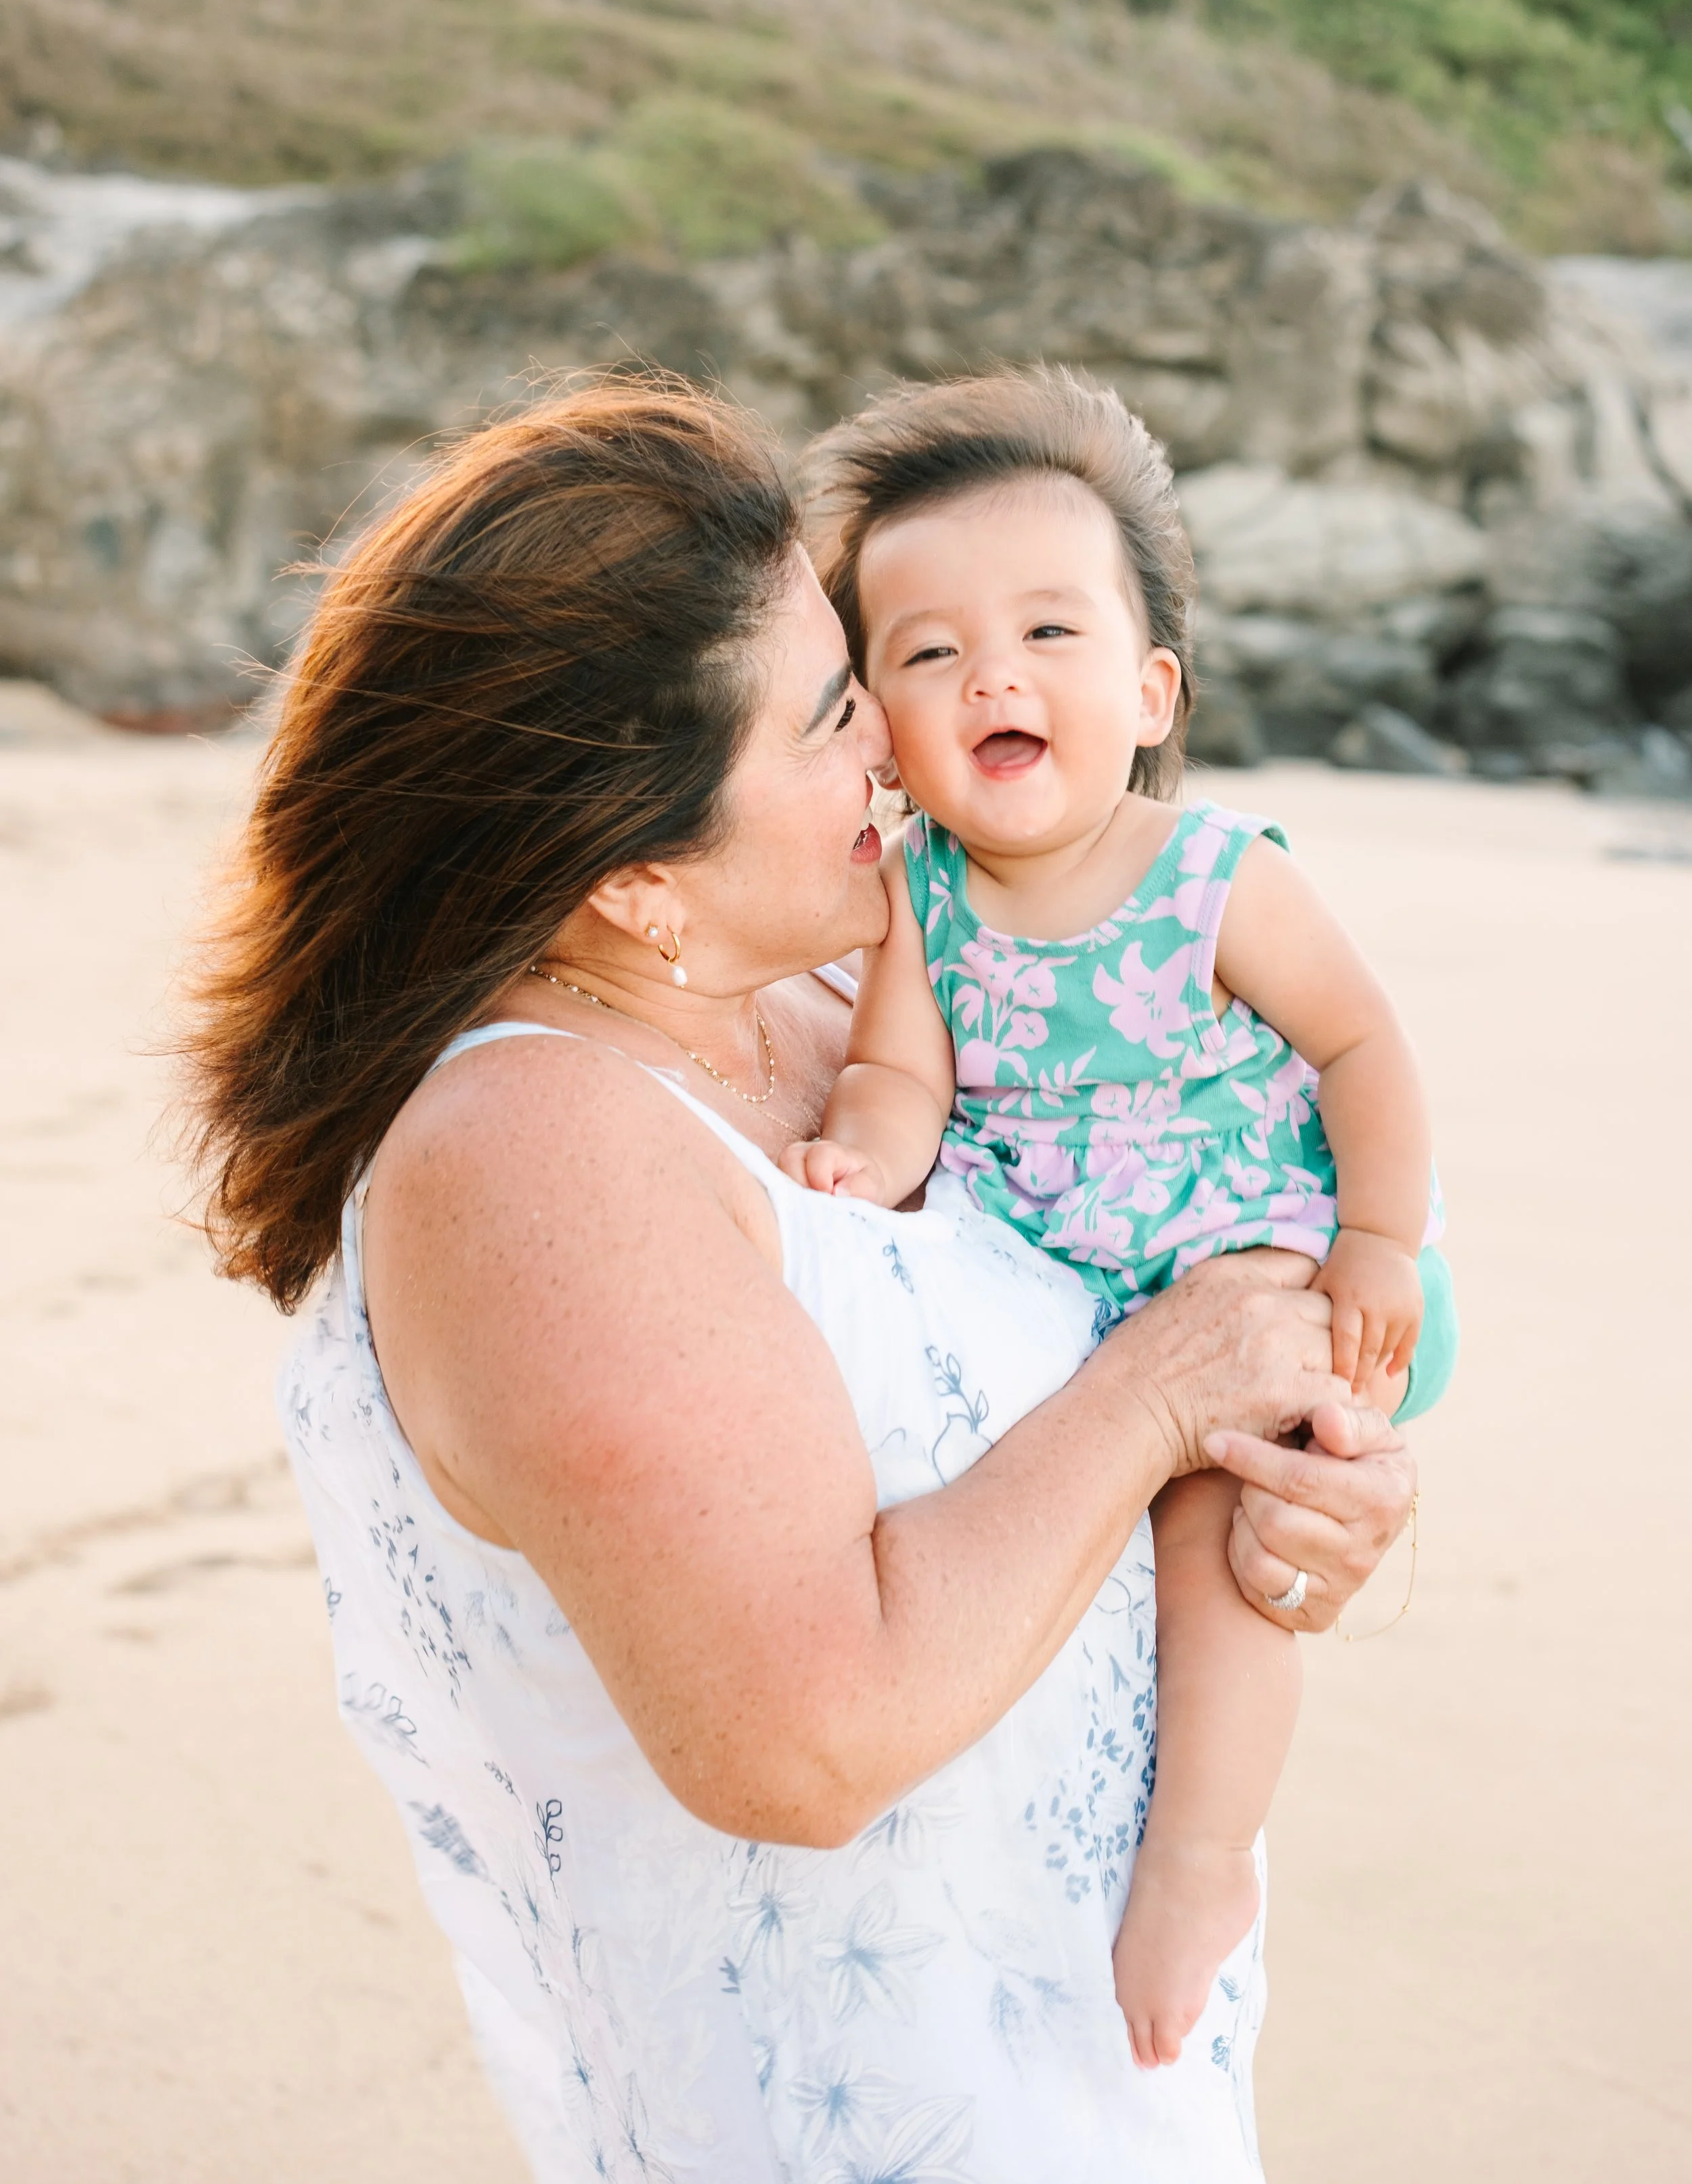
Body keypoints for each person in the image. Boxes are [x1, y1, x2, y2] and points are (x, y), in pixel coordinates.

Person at [181, 372, 1419, 2184]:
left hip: (1099, 2061)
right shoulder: (536, 1155)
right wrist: (1155, 1389)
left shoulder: (850, 1011)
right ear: (631, 876)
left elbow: (1170, 1288)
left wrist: (1303, 1486)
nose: (896, 749)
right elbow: (801, 1734)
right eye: (837, 710)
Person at [786, 367, 1457, 2068]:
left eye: (1045, 634)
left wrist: (1378, 1239)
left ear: (1149, 687)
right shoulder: (915, 902)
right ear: (875, 716)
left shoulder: (1216, 873)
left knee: (1213, 1543)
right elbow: (898, 1078)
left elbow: (1363, 1043)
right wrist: (859, 1151)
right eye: (927, 653)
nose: (988, 673)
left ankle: (1200, 1852)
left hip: (1233, 1245)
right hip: (1051, 1260)